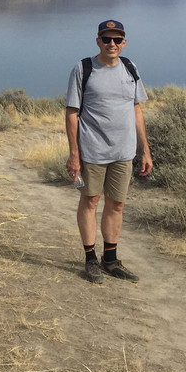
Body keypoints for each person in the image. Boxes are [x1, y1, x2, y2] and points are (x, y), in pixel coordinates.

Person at [64, 20, 153, 284]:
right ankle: (91, 261)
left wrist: (145, 150)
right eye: (106, 39)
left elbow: (136, 109)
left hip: (123, 152)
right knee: (90, 201)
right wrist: (74, 154)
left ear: (124, 42)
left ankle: (111, 260)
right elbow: (72, 113)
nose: (111, 44)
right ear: (98, 42)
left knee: (116, 204)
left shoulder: (130, 68)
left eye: (117, 40)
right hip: (92, 150)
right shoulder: (84, 68)